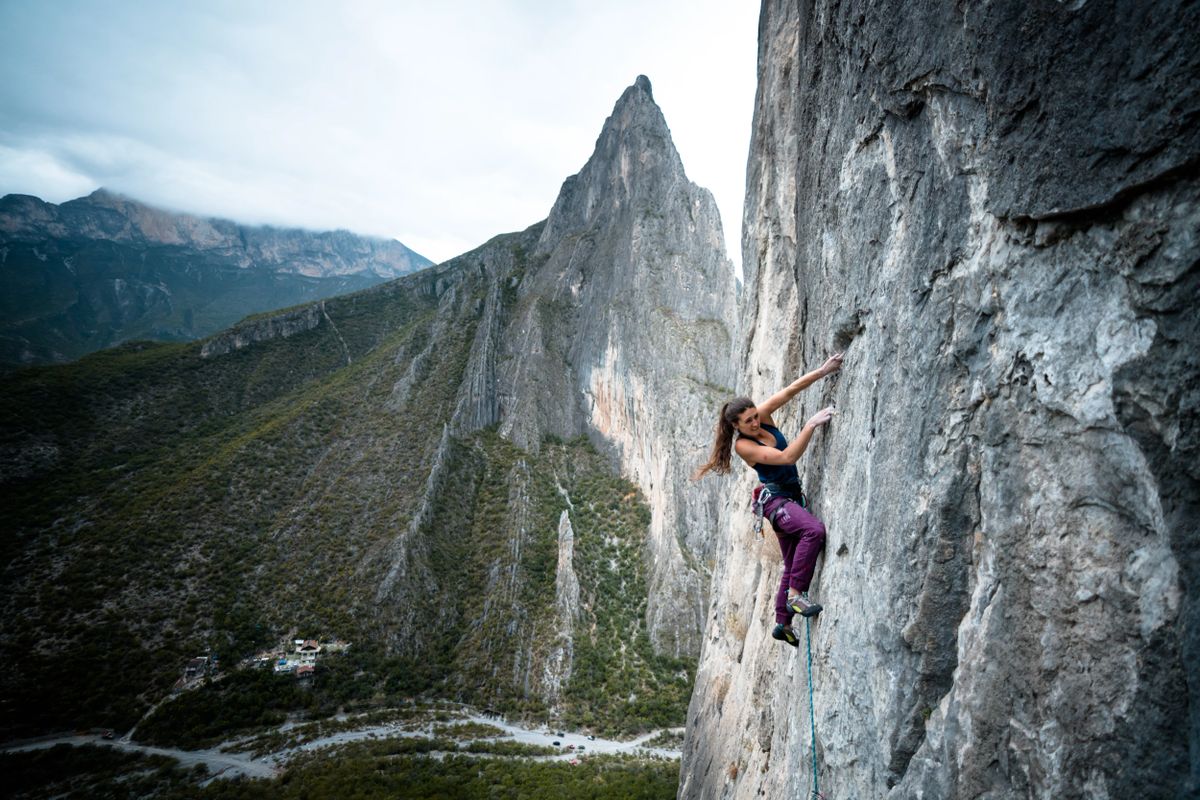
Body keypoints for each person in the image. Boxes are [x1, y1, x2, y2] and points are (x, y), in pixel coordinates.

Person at [694, 353, 843, 648]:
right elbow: (787, 457)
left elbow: (789, 391)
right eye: (747, 421)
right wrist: (810, 425)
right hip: (776, 503)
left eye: (754, 416)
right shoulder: (744, 446)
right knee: (813, 531)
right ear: (736, 425)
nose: (754, 422)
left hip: (788, 500)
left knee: (790, 564)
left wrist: (822, 371)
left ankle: (782, 623)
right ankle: (795, 596)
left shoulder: (760, 417)